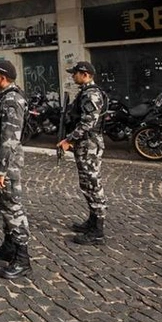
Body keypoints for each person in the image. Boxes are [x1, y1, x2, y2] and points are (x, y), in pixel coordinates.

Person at [0, 60, 32, 279]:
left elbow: (10, 140)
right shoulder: (0, 97)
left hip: (7, 164)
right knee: (3, 204)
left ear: (2, 76)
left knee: (12, 207)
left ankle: (22, 258)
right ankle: (9, 246)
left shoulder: (12, 100)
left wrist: (1, 171)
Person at [56, 61, 108, 245]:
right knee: (86, 183)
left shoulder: (92, 94)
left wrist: (69, 139)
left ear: (85, 74)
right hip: (85, 144)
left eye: (75, 73)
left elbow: (88, 123)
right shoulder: (85, 92)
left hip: (89, 144)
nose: (73, 76)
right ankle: (92, 221)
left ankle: (98, 231)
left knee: (93, 183)